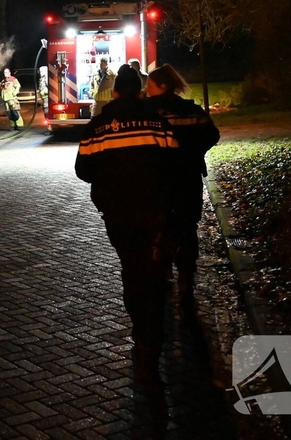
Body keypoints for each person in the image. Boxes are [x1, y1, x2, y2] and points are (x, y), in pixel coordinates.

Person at [75, 65, 179, 388]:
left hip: (118, 215)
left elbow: (83, 170)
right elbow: (175, 164)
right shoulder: (158, 124)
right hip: (154, 213)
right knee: (154, 270)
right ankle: (154, 332)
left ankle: (141, 332)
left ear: (116, 92)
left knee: (131, 269)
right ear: (141, 91)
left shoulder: (98, 127)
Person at [143, 64, 220, 321]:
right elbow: (212, 134)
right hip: (188, 179)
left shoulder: (148, 112)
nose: (146, 89)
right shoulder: (192, 110)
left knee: (160, 226)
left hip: (158, 180)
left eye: (150, 85)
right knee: (187, 227)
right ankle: (187, 280)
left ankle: (163, 272)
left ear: (161, 86)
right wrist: (193, 153)